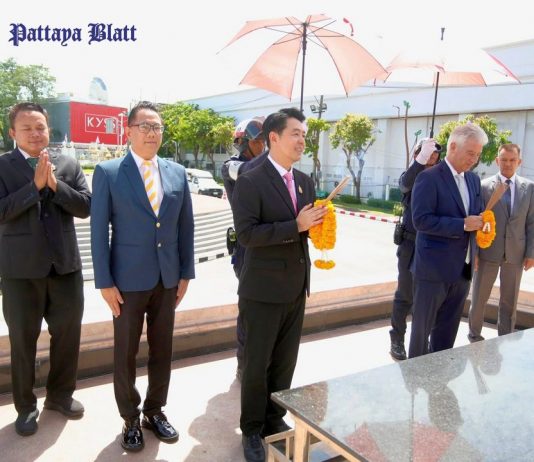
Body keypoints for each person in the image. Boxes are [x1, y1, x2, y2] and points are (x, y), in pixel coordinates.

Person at [90, 101, 195, 452]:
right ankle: (130, 417)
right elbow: (98, 232)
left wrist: (186, 273)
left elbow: (185, 227)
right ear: (129, 131)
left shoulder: (177, 172)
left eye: (157, 127)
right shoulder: (108, 172)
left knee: (163, 349)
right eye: (145, 126)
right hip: (126, 282)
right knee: (125, 353)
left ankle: (154, 411)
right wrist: (104, 281)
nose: (152, 133)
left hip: (168, 278)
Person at [232, 108, 326, 462]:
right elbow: (247, 234)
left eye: (304, 134)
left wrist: (319, 226)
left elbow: (305, 230)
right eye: (295, 133)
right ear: (274, 137)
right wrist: (296, 226)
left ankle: (274, 418)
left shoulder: (304, 181)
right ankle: (251, 429)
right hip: (261, 290)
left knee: (285, 362)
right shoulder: (251, 179)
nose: (302, 140)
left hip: (296, 286)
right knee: (257, 364)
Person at [0, 102, 91, 436]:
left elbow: (86, 206)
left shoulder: (67, 163)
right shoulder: (2, 166)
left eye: (40, 127)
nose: (35, 133)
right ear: (13, 132)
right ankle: (26, 407)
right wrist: (34, 188)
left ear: (48, 129)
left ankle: (60, 395)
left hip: (65, 267)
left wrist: (54, 185)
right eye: (27, 128)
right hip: (20, 272)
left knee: (68, 336)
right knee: (23, 342)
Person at [409, 123, 486, 358]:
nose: (474, 159)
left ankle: (440, 376)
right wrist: (462, 224)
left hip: (462, 271)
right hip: (432, 272)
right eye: (470, 153)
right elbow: (421, 220)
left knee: (447, 335)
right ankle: (415, 377)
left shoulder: (473, 180)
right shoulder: (428, 178)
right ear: (453, 146)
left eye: (478, 154)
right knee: (421, 335)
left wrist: (479, 234)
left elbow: (475, 215)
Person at [468, 143, 534, 341]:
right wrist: (474, 253)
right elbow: (476, 220)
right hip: (488, 251)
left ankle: (505, 338)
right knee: (479, 297)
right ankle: (474, 335)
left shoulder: (529, 188)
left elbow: (532, 223)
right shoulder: (484, 186)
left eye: (512, 160)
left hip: (515, 253)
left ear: (519, 162)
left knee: (509, 301)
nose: (508, 164)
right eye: (504, 160)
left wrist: (531, 253)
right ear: (497, 161)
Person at [221, 117, 265, 381]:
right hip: (246, 248)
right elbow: (252, 171)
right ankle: (244, 364)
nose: (264, 146)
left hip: (266, 245)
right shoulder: (232, 166)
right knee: (250, 309)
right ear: (245, 143)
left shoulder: (266, 166)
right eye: (260, 141)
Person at [389, 139, 441, 360]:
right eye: (427, 156)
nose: (431, 160)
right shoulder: (412, 175)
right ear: (417, 156)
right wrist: (420, 161)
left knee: (427, 298)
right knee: (405, 295)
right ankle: (397, 339)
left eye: (434, 158)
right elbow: (405, 185)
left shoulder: (439, 179)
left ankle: (422, 339)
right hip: (410, 245)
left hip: (431, 247)